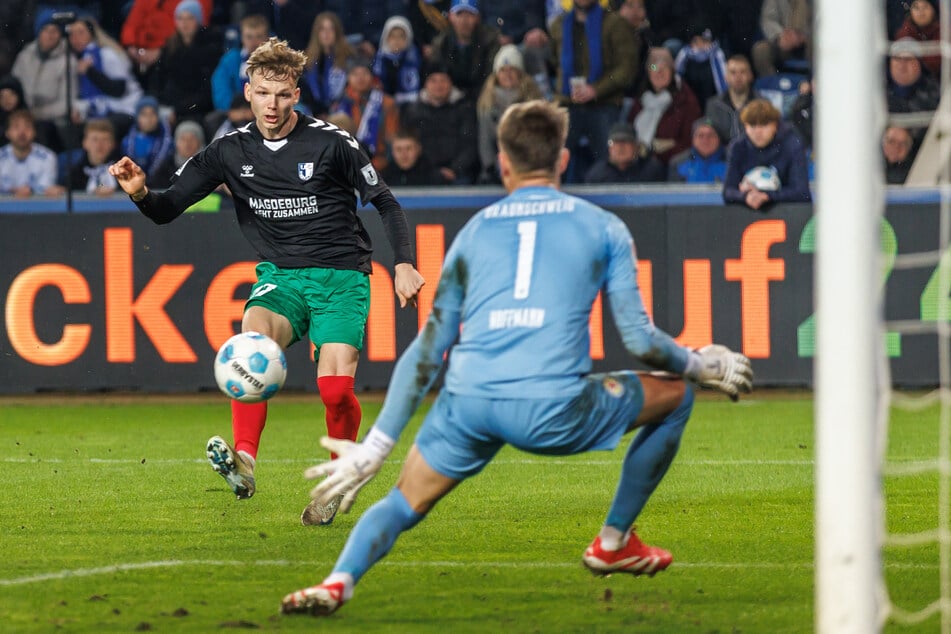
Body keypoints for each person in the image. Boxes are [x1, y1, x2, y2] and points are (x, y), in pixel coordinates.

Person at [278, 99, 753, 617]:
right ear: (564, 160)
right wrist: (701, 365)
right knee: (678, 395)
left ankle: (336, 583)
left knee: (400, 503)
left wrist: (375, 447)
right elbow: (640, 340)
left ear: (502, 163)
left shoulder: (476, 231)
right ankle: (613, 543)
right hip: (553, 407)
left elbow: (428, 350)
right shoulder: (603, 226)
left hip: (470, 405)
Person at [108, 37, 425, 526]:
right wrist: (141, 193)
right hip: (281, 276)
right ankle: (245, 462)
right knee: (250, 342)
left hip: (342, 276)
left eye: (282, 94)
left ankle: (343, 476)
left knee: (336, 393)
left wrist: (403, 262)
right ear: (248, 91)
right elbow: (167, 208)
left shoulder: (331, 142)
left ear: (296, 93)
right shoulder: (228, 152)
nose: (272, 105)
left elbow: (385, 201)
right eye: (263, 93)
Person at [550, 0, 638, 182]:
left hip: (604, 102)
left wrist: (596, 90)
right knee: (552, 157)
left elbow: (627, 69)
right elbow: (554, 63)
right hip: (568, 102)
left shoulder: (616, 23)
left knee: (610, 161)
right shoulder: (559, 24)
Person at [722, 98, 811, 210]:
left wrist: (766, 195)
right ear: (745, 127)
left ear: (775, 125)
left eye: (764, 124)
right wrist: (746, 196)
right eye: (752, 125)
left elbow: (802, 193)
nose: (758, 131)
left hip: (787, 214)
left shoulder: (792, 145)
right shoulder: (738, 147)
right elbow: (728, 191)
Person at [68, 16, 144, 141]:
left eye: (81, 32)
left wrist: (90, 72)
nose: (76, 38)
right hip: (103, 109)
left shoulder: (107, 54)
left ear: (92, 33)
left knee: (100, 131)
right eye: (72, 34)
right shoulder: (77, 58)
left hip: (126, 107)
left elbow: (118, 90)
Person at [147, 0, 222, 126]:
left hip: (196, 110)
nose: (184, 23)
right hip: (170, 107)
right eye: (180, 18)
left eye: (190, 18)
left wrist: (178, 110)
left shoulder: (211, 48)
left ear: (198, 20)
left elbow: (207, 91)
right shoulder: (170, 46)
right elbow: (158, 79)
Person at [401, 62, 479, 184]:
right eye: (433, 80)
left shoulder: (465, 109)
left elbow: (470, 145)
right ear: (425, 84)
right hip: (422, 172)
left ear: (451, 83)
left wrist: (454, 169)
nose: (438, 85)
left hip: (458, 174)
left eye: (443, 80)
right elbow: (409, 144)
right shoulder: (413, 111)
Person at [475, 44, 543, 184]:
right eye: (503, 70)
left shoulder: (533, 101)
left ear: (520, 73)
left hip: (528, 165)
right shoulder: (487, 103)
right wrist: (490, 166)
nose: (508, 75)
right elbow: (485, 140)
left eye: (512, 69)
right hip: (497, 167)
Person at [626, 46, 702, 166]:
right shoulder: (641, 100)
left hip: (671, 162)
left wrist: (667, 147)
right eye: (654, 67)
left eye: (665, 67)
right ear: (648, 71)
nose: (659, 71)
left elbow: (690, 142)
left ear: (672, 71)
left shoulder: (686, 100)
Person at [11, 10, 74, 152]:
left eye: (55, 31)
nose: (50, 35)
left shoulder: (68, 60)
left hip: (50, 120)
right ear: (38, 32)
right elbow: (13, 85)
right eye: (45, 30)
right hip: (23, 114)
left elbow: (67, 103)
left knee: (43, 129)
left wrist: (37, 114)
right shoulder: (25, 55)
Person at [331, 57, 400, 172]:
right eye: (355, 74)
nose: (360, 78)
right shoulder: (338, 106)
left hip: (379, 166)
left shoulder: (387, 103)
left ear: (372, 76)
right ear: (348, 77)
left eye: (364, 73)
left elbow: (391, 140)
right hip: (346, 166)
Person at [428, 0, 503, 102]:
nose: (464, 20)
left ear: (477, 18)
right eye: (459, 14)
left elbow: (490, 77)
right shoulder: (441, 43)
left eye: (470, 14)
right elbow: (437, 74)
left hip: (482, 96)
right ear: (450, 16)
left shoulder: (490, 42)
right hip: (450, 98)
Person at [300, 11, 358, 116]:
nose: (327, 33)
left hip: (341, 110)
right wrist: (318, 110)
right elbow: (305, 91)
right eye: (322, 29)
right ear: (316, 33)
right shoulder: (306, 60)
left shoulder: (349, 57)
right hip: (313, 111)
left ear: (337, 32)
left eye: (331, 29)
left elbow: (351, 90)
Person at [211, 14, 271, 113]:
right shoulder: (230, 59)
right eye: (249, 37)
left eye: (259, 36)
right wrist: (234, 109)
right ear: (242, 37)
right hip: (234, 113)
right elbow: (220, 88)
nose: (254, 42)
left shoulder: (276, 61)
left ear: (267, 38)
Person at [0, 109, 66, 197]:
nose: (22, 133)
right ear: (7, 133)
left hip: (37, 209)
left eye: (27, 127)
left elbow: (46, 191)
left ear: (34, 132)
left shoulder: (48, 157)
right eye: (16, 127)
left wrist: (29, 191)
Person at [584, 121, 666, 183]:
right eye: (615, 143)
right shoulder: (596, 174)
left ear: (636, 146)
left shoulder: (651, 170)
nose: (620, 147)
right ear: (609, 148)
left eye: (626, 142)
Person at [703, 54, 757, 144]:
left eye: (743, 72)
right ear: (726, 77)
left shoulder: (761, 104)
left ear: (750, 76)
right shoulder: (713, 105)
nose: (738, 77)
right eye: (733, 72)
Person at [120, 96, 174, 186]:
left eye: (152, 114)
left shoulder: (168, 142)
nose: (148, 119)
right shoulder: (127, 142)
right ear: (137, 117)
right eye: (144, 114)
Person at [750, 0, 812, 77]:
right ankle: (772, 84)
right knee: (761, 50)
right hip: (783, 42)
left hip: (808, 43)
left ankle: (813, 82)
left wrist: (803, 36)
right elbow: (768, 19)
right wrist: (780, 36)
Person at [373, 16, 423, 109]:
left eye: (401, 36)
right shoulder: (380, 59)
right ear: (386, 38)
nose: (397, 40)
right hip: (386, 105)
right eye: (392, 36)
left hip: (412, 105)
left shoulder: (416, 57)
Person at [63, 117, 119, 194]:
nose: (100, 145)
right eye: (95, 139)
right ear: (85, 143)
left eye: (105, 140)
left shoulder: (126, 170)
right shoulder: (75, 174)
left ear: (113, 144)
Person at [379, 127, 449, 186]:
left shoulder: (434, 178)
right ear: (392, 152)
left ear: (418, 149)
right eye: (399, 149)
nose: (404, 155)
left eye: (408, 148)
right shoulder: (383, 179)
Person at [667, 117, 727, 183]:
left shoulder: (732, 161)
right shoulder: (678, 163)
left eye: (710, 135)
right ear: (693, 139)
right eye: (700, 136)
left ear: (719, 139)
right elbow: (673, 192)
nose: (705, 140)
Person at [151, 119, 206, 187]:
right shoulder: (166, 167)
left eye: (192, 139)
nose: (187, 144)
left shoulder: (209, 166)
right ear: (176, 143)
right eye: (183, 139)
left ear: (200, 142)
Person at [894, 0, 940, 76]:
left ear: (934, 10)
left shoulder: (944, 32)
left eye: (925, 7)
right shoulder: (904, 33)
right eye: (916, 7)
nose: (921, 12)